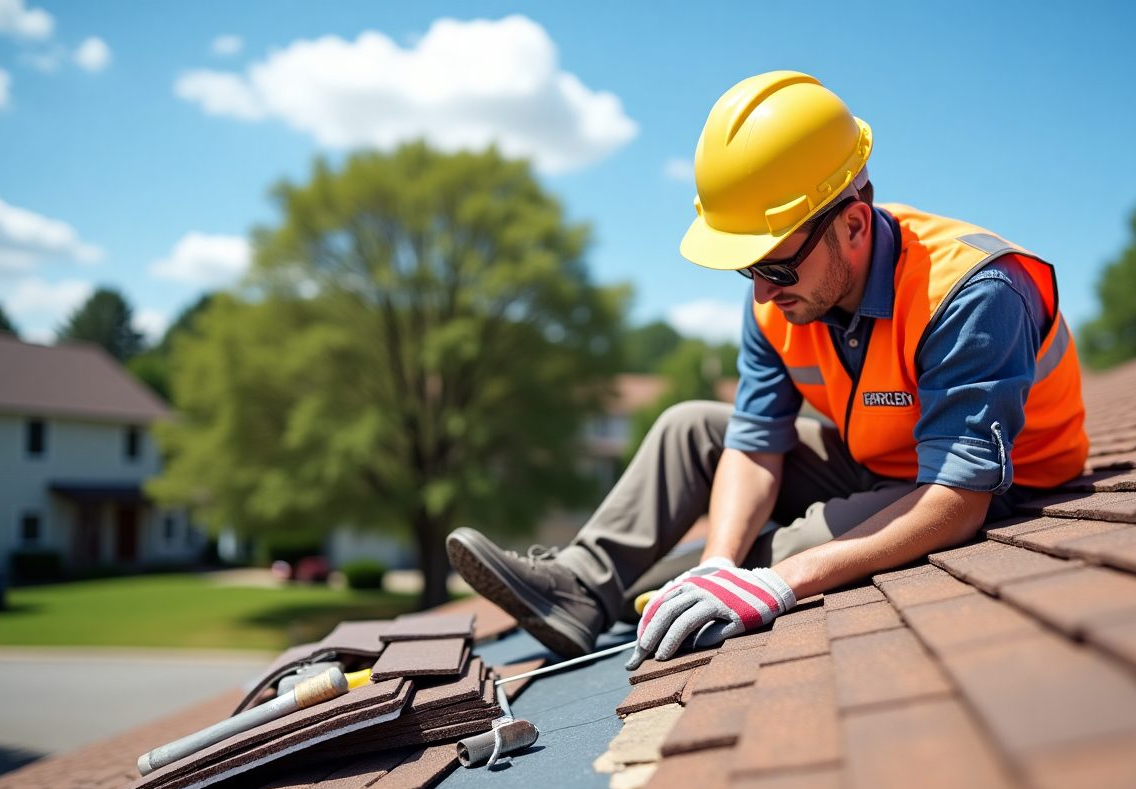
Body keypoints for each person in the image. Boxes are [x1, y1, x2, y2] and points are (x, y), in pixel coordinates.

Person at [446, 70, 1088, 669]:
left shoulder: (971, 291)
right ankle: (583, 588)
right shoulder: (785, 294)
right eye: (747, 269)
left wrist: (777, 584)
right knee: (688, 428)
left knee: (801, 546)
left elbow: (957, 500)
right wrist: (720, 562)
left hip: (994, 485)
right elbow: (753, 449)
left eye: (776, 269)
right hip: (881, 461)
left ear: (855, 224)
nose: (760, 295)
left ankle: (649, 596)